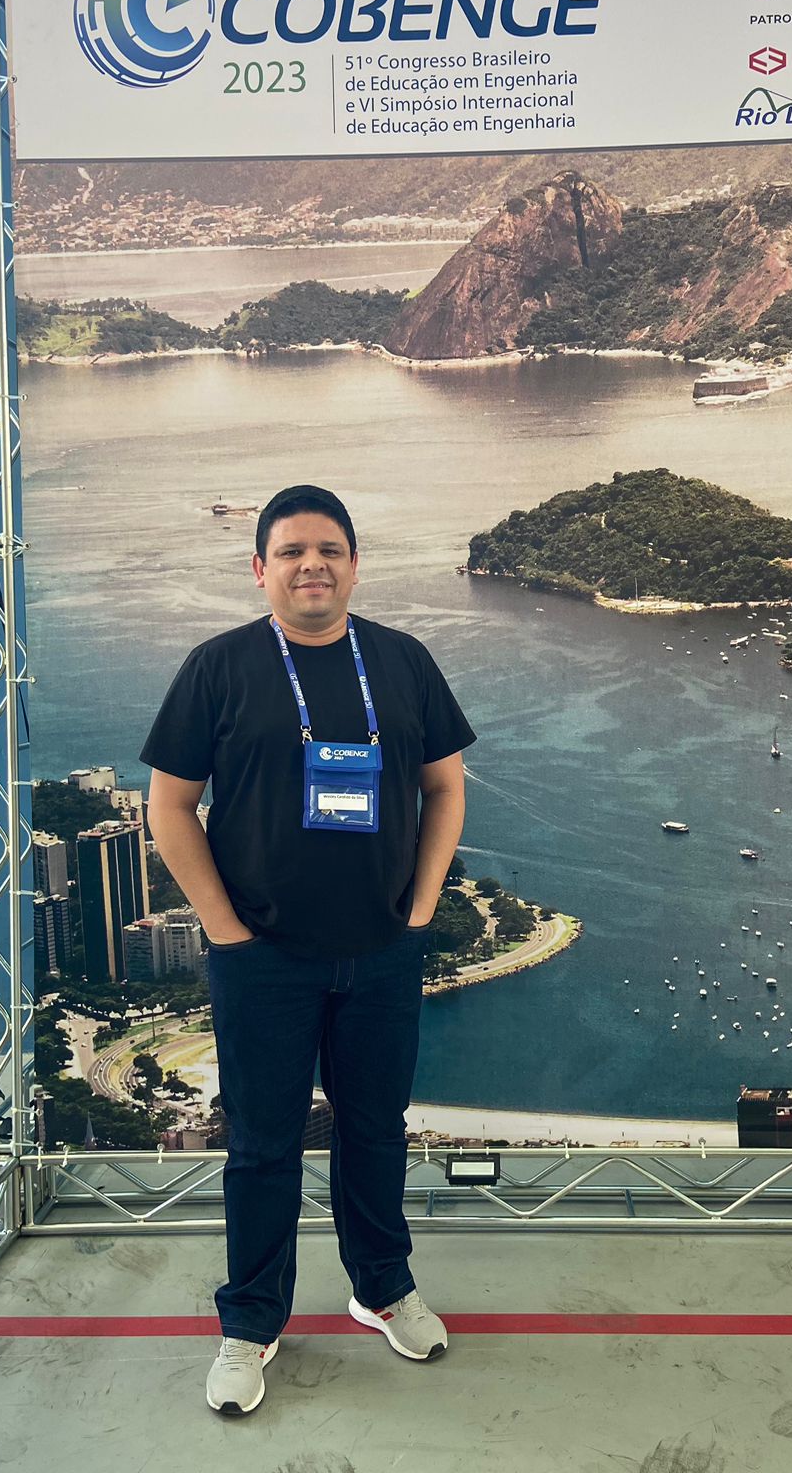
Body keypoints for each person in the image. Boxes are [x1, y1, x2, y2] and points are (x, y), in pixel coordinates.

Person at [141, 484, 475, 1415]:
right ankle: (252, 1323)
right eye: (290, 551)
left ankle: (383, 1289)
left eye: (328, 549)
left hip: (383, 951)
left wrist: (422, 908)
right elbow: (168, 807)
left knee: (375, 1130)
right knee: (261, 1146)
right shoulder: (218, 667)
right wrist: (225, 930)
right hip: (264, 959)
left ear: (355, 565)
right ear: (261, 569)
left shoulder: (403, 661)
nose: (311, 565)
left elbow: (446, 788)